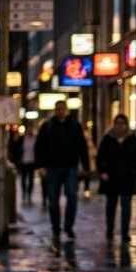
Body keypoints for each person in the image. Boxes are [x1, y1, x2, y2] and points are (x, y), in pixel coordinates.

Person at [34, 101, 90, 241]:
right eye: (58, 109)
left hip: (70, 166)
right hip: (53, 167)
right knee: (53, 200)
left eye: (62, 109)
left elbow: (82, 146)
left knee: (72, 197)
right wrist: (40, 166)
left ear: (66, 110)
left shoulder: (74, 126)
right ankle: (56, 227)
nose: (60, 112)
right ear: (55, 110)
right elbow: (39, 147)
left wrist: (86, 166)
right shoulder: (47, 126)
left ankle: (68, 227)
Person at [97, 114, 136, 242]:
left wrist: (135, 170)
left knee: (126, 206)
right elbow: (100, 157)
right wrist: (103, 172)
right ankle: (110, 230)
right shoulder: (107, 139)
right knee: (111, 205)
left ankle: (124, 232)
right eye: (117, 123)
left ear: (126, 125)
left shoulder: (132, 139)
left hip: (127, 177)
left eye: (122, 123)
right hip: (112, 178)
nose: (120, 126)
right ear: (114, 125)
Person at [12, 128, 37, 202]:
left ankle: (29, 194)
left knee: (31, 180)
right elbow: (16, 148)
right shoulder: (22, 139)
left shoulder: (35, 139)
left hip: (32, 162)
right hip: (24, 162)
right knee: (23, 179)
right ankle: (24, 193)